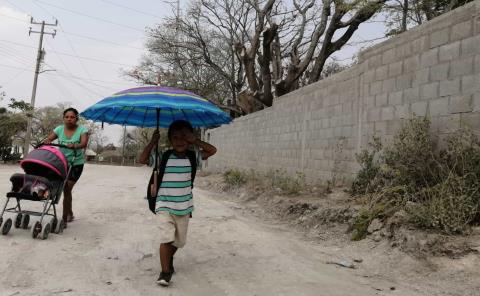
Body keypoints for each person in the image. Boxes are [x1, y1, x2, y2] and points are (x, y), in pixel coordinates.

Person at [139, 120, 217, 287]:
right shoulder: (163, 157)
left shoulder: (193, 156)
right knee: (166, 238)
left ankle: (168, 257)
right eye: (175, 137)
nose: (180, 141)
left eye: (184, 137)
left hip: (184, 206)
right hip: (164, 204)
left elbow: (212, 150)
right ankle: (165, 272)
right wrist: (153, 142)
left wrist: (195, 140)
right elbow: (142, 159)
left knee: (179, 242)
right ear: (170, 140)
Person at [44, 108, 89, 226]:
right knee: (59, 187)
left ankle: (64, 218)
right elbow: (49, 138)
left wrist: (75, 145)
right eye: (67, 117)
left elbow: (84, 144)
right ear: (63, 118)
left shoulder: (82, 130)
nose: (69, 119)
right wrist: (48, 141)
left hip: (76, 164)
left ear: (76, 118)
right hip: (61, 163)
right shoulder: (59, 129)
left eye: (72, 117)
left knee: (66, 188)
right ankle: (70, 212)